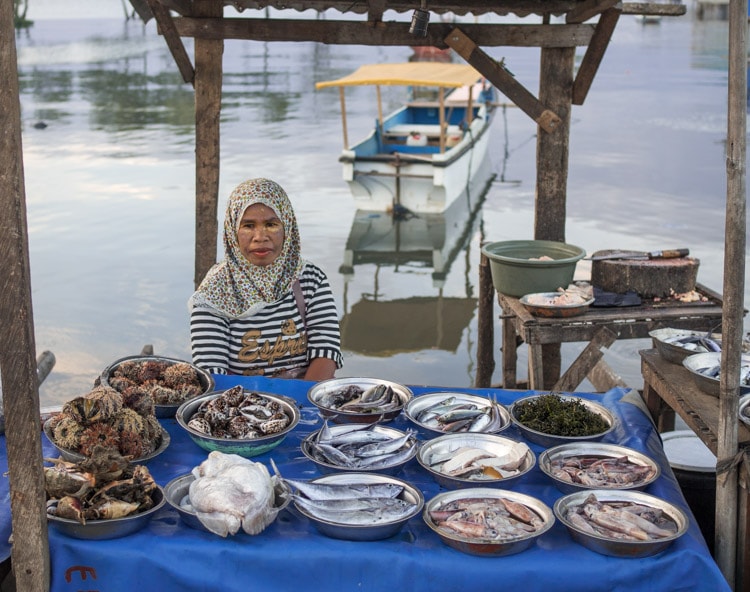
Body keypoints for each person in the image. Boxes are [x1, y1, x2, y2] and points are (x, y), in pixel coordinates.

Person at [189, 178, 343, 380]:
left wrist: (301, 404)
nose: (260, 236)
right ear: (232, 231)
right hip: (236, 404)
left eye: (271, 224)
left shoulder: (310, 278)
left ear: (287, 226)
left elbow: (326, 353)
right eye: (248, 225)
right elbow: (212, 373)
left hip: (307, 399)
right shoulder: (213, 293)